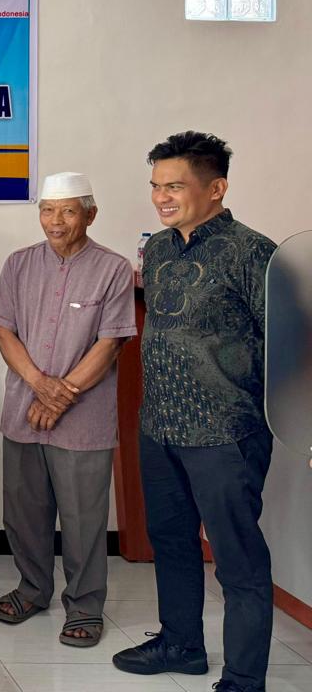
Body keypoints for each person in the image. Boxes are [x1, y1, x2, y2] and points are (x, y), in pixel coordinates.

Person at [112, 132, 276, 692]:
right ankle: (181, 644)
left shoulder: (253, 252)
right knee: (171, 540)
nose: (161, 197)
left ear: (217, 188)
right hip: (160, 425)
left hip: (226, 431)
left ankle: (244, 679)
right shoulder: (158, 249)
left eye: (175, 186)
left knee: (237, 558)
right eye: (156, 185)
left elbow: (286, 344)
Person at [0, 172, 135, 647]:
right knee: (23, 512)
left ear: (90, 215)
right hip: (24, 409)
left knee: (84, 519)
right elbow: (4, 330)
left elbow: (111, 343)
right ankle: (32, 589)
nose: (56, 220)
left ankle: (85, 606)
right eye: (48, 210)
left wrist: (61, 394)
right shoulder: (19, 264)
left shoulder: (112, 268)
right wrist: (39, 384)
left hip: (83, 417)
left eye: (68, 211)